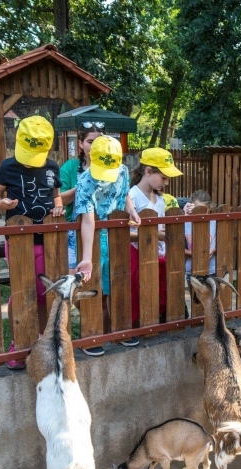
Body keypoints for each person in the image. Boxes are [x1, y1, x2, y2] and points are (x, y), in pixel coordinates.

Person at [0, 115, 65, 369]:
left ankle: (41, 338)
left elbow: (57, 197)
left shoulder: (52, 168)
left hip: (48, 240)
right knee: (22, 292)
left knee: (45, 293)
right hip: (19, 240)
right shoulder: (7, 166)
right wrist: (2, 204)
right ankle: (19, 341)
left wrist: (58, 208)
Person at [73, 135, 141, 354]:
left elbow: (124, 194)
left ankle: (119, 331)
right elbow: (88, 220)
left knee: (118, 285)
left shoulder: (121, 170)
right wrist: (87, 257)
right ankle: (93, 337)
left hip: (116, 237)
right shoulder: (85, 181)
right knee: (95, 291)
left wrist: (131, 210)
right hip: (92, 238)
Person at [128, 147, 183, 326]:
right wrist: (157, 235)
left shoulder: (160, 200)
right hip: (137, 255)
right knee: (138, 293)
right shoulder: (132, 197)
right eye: (163, 178)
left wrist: (161, 235)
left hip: (158, 255)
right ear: (148, 171)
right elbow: (128, 234)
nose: (166, 183)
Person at [60, 122, 104, 274]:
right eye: (90, 142)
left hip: (105, 232)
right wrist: (84, 187)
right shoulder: (70, 167)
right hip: (75, 232)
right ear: (80, 143)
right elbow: (60, 199)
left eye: (99, 142)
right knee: (75, 279)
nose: (94, 146)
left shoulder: (113, 169)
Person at [184, 190, 216, 276]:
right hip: (191, 269)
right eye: (197, 209)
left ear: (209, 209)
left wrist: (212, 250)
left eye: (203, 210)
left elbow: (221, 243)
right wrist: (195, 253)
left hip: (211, 270)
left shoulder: (214, 223)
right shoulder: (185, 223)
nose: (200, 213)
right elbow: (178, 247)